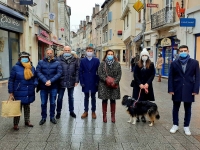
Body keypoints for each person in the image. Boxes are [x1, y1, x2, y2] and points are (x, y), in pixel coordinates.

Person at [168, 45, 199, 136]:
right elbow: (171, 77)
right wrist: (171, 89)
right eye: (181, 51)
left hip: (189, 88)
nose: (183, 52)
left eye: (185, 50)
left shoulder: (194, 63)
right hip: (177, 88)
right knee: (175, 108)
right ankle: (175, 125)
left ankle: (186, 126)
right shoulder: (174, 63)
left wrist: (196, 89)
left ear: (188, 51)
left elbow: (197, 77)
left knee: (188, 108)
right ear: (178, 52)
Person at [8, 51, 37, 130]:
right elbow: (11, 80)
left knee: (27, 107)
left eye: (26, 57)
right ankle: (16, 123)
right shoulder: (15, 68)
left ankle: (27, 121)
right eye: (23, 58)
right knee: (17, 107)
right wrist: (11, 91)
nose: (24, 59)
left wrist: (35, 83)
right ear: (19, 58)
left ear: (29, 58)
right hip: (18, 90)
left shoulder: (32, 67)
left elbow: (35, 77)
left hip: (29, 90)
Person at [36, 48, 62, 125]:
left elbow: (59, 73)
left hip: (53, 86)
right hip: (43, 86)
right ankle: (43, 117)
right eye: (48, 53)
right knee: (43, 103)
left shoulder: (57, 63)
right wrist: (45, 81)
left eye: (51, 53)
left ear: (53, 54)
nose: (49, 55)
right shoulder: (41, 62)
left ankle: (52, 117)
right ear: (45, 53)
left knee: (53, 103)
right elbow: (38, 72)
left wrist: (50, 81)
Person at [98, 49, 122, 123]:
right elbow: (99, 73)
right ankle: (104, 116)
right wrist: (106, 80)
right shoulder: (102, 63)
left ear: (113, 55)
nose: (110, 55)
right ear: (106, 55)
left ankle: (113, 116)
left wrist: (115, 82)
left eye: (112, 54)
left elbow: (119, 74)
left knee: (113, 100)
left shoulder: (117, 64)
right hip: (104, 85)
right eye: (109, 54)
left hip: (114, 85)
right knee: (104, 99)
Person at [132, 48, 155, 123]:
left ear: (148, 56)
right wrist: (140, 84)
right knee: (138, 101)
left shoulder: (151, 64)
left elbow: (152, 75)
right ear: (141, 56)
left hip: (147, 86)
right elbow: (135, 75)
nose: (144, 56)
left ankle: (143, 115)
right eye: (143, 55)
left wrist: (147, 83)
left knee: (145, 102)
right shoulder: (137, 64)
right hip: (138, 86)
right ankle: (137, 115)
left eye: (146, 55)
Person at [56, 46, 79, 119]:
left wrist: (76, 80)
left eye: (68, 50)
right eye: (65, 50)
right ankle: (58, 112)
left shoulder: (75, 59)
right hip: (61, 80)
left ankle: (71, 111)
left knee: (71, 97)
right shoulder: (58, 59)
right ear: (63, 51)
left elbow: (77, 70)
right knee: (60, 97)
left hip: (71, 80)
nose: (67, 51)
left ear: (71, 51)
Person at [79, 46, 100, 119]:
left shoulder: (96, 60)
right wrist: (81, 82)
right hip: (86, 81)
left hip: (94, 80)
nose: (89, 52)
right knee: (86, 97)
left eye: (91, 51)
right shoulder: (82, 60)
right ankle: (86, 111)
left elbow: (99, 72)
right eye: (88, 50)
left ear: (93, 52)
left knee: (93, 97)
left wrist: (98, 81)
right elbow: (80, 72)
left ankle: (93, 111)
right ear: (86, 51)